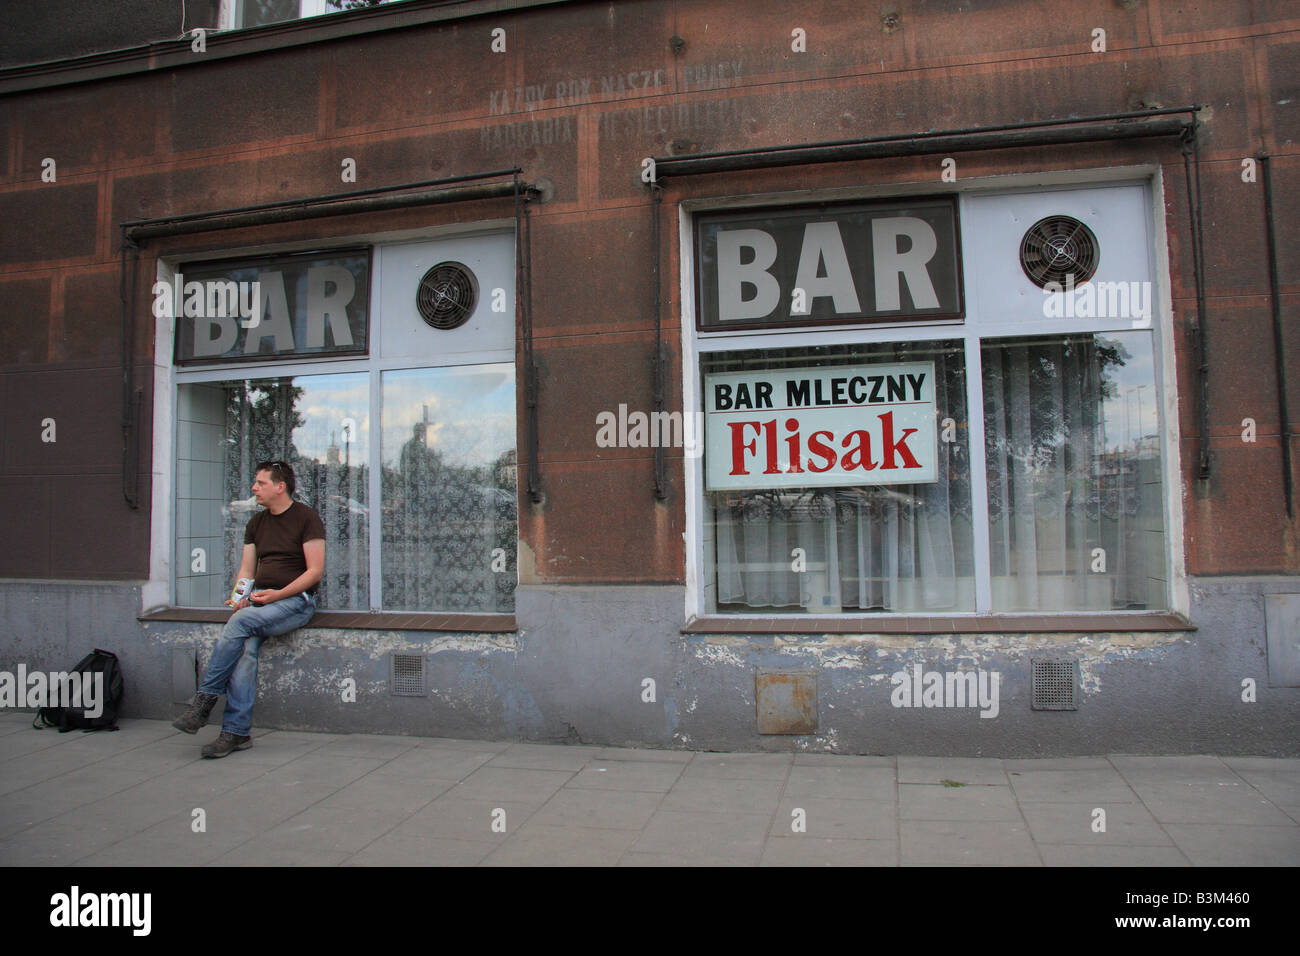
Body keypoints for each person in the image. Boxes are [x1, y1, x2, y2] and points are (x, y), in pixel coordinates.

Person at [173, 460, 325, 758]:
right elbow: (246, 569)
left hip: (296, 602)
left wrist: (277, 594)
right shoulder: (256, 522)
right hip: (258, 604)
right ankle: (235, 733)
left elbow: (314, 572)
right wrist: (240, 597)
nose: (254, 488)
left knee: (239, 625)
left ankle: (203, 704)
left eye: (260, 483)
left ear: (280, 487)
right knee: (244, 648)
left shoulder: (307, 518)